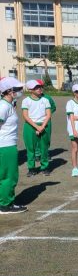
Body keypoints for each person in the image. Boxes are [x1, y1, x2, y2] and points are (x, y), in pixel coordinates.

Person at [0, 77, 27, 213]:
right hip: (5, 146)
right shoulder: (3, 106)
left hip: (6, 145)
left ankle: (5, 201)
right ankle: (6, 204)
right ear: (9, 91)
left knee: (5, 175)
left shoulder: (7, 105)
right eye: (17, 89)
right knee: (9, 176)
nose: (20, 91)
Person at [22, 80, 52, 176]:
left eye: (39, 87)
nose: (39, 89)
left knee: (44, 148)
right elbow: (26, 116)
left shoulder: (45, 100)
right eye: (36, 87)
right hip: (30, 126)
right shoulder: (26, 101)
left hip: (44, 125)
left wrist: (42, 126)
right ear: (30, 89)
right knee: (30, 149)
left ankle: (45, 167)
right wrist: (37, 127)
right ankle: (31, 168)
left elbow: (48, 115)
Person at [34, 79, 56, 161]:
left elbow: (53, 107)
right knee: (36, 138)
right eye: (37, 87)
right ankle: (37, 154)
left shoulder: (47, 98)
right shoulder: (30, 99)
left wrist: (47, 114)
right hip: (35, 121)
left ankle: (45, 153)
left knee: (46, 138)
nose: (39, 88)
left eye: (41, 87)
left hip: (46, 121)